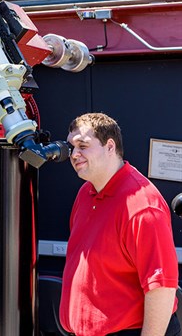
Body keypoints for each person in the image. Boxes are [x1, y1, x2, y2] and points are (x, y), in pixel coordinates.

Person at [60, 112, 180, 336]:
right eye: (71, 147)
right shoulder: (86, 193)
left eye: (83, 146)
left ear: (109, 146)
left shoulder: (143, 205)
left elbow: (162, 286)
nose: (74, 154)